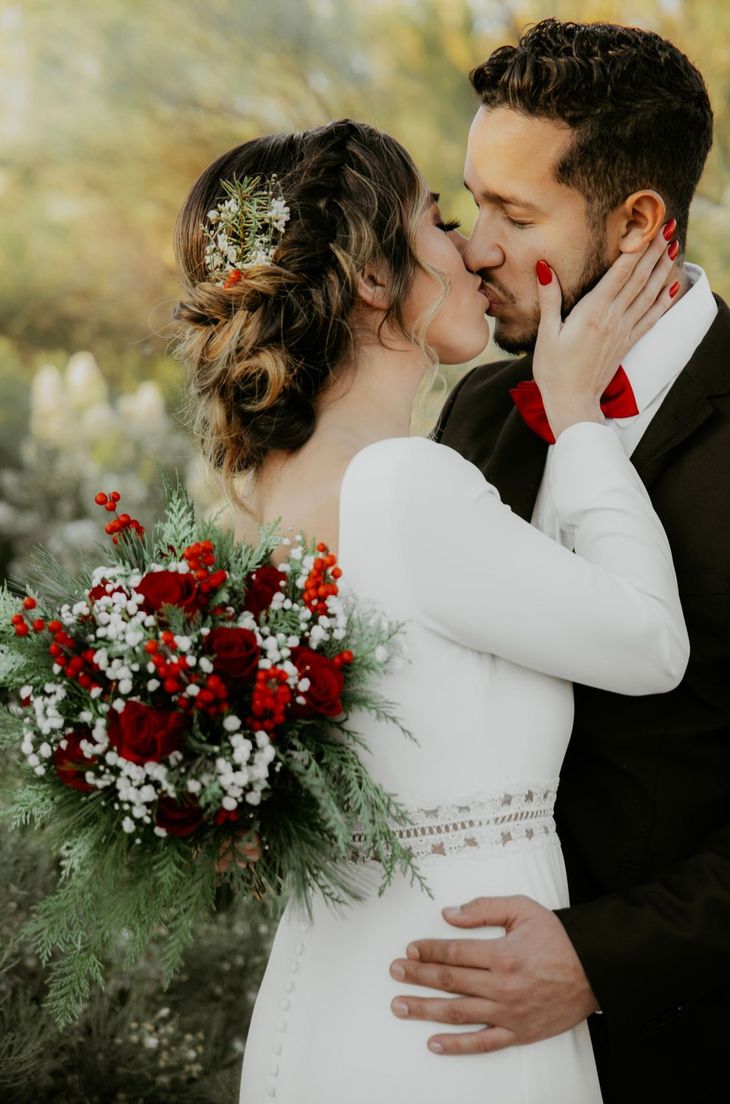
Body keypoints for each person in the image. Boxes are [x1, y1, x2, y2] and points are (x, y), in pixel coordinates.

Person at [172, 118, 686, 1103]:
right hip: (453, 1022)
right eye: (438, 221)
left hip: (348, 999)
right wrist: (575, 415)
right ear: (371, 278)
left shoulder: (254, 510)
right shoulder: (401, 484)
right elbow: (650, 644)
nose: (470, 251)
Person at [392, 18, 730, 1104]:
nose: (472, 246)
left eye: (514, 212)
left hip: (686, 1041)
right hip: (454, 1032)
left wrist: (600, 960)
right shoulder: (481, 413)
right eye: (468, 199)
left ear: (639, 223)